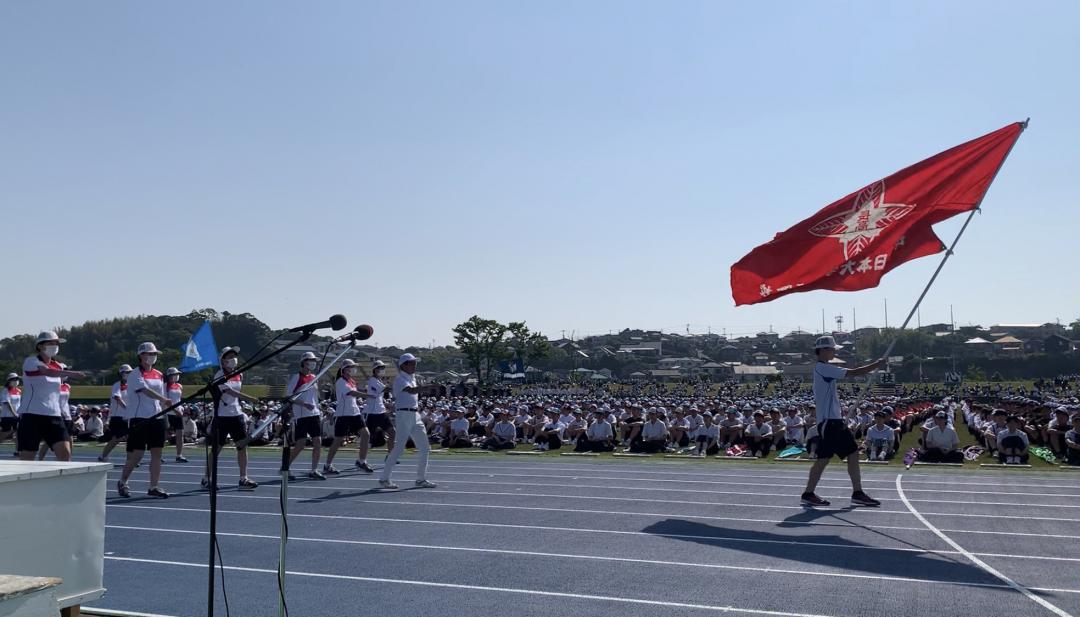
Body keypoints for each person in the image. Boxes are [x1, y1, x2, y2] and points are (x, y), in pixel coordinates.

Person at [800, 336, 886, 507]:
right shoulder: (823, 368)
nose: (834, 351)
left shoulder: (824, 368)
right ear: (823, 350)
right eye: (832, 349)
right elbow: (853, 372)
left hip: (834, 421)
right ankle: (809, 493)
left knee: (850, 453)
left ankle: (856, 492)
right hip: (829, 423)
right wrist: (876, 364)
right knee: (824, 459)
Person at [16, 332, 84, 461]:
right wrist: (72, 373)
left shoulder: (58, 365)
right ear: (40, 346)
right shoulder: (31, 361)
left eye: (56, 343)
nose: (55, 346)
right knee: (27, 459)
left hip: (54, 415)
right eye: (51, 343)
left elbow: (56, 373)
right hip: (32, 415)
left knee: (65, 454)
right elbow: (46, 371)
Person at [117, 343, 171, 498]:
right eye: (148, 353)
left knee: (157, 453)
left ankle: (154, 486)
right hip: (139, 417)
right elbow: (145, 391)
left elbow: (162, 396)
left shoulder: (159, 374)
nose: (152, 356)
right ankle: (123, 481)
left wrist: (171, 408)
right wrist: (164, 399)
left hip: (157, 417)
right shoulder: (135, 374)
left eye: (154, 354)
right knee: (137, 454)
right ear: (140, 355)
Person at [202, 347, 260, 491]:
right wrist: (250, 398)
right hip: (222, 416)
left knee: (242, 446)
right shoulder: (219, 374)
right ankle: (206, 478)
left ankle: (243, 478)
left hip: (237, 414)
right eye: (230, 356)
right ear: (223, 360)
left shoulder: (238, 374)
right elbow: (229, 391)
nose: (234, 358)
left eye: (234, 356)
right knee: (216, 449)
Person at [379, 353, 436, 489]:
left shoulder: (412, 377)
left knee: (424, 447)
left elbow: (412, 390)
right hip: (404, 414)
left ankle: (421, 479)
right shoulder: (400, 379)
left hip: (414, 414)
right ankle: (384, 478)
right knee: (399, 448)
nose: (414, 365)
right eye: (411, 363)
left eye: (415, 362)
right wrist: (427, 387)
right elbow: (410, 391)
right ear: (403, 365)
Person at [323, 359, 370, 474]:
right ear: (344, 369)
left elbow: (356, 390)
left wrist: (367, 389)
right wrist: (368, 395)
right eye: (351, 367)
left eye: (353, 366)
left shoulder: (351, 381)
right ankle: (327, 465)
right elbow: (352, 393)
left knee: (366, 434)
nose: (353, 369)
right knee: (338, 440)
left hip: (355, 412)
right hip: (343, 414)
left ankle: (361, 461)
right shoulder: (340, 381)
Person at [285, 352, 326, 480]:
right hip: (301, 414)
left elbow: (316, 396)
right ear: (304, 362)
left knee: (318, 442)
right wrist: (304, 404)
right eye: (311, 360)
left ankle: (314, 470)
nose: (313, 362)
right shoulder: (297, 377)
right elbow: (289, 396)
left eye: (314, 360)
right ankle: (285, 467)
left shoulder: (314, 377)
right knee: (301, 444)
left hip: (314, 413)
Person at [360, 360, 393, 469]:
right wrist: (397, 387)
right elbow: (385, 389)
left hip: (381, 411)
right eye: (380, 368)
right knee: (368, 438)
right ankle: (361, 460)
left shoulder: (378, 380)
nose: (382, 370)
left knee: (392, 432)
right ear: (375, 369)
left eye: (383, 368)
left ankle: (390, 456)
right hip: (372, 413)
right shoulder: (373, 381)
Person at [38, 367, 75, 459]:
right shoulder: (53, 385)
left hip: (67, 415)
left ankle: (68, 458)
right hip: (57, 414)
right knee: (50, 440)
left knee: (70, 438)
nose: (65, 373)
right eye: (63, 371)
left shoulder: (67, 386)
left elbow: (65, 401)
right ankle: (40, 458)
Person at [98, 365, 132, 462]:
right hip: (118, 416)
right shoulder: (117, 385)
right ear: (121, 374)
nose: (128, 374)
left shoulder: (132, 385)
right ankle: (103, 456)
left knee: (131, 438)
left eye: (129, 372)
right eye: (126, 372)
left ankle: (130, 459)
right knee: (116, 439)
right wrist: (126, 408)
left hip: (129, 417)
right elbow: (117, 398)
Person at [164, 367, 187, 462]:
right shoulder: (165, 386)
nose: (177, 376)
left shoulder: (179, 386)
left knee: (180, 434)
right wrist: (175, 411)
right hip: (168, 413)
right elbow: (166, 401)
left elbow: (179, 399)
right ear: (170, 375)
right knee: (164, 435)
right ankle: (158, 454)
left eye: (178, 374)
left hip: (178, 413)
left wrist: (181, 409)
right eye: (175, 374)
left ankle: (179, 455)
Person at [0, 373, 22, 445]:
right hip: (7, 416)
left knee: (18, 433)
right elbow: (7, 403)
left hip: (17, 415)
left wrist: (19, 413)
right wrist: (14, 413)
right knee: (6, 432)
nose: (16, 381)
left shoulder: (18, 391)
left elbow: (19, 403)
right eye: (14, 379)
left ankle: (18, 450)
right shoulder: (5, 390)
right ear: (9, 380)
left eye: (17, 379)